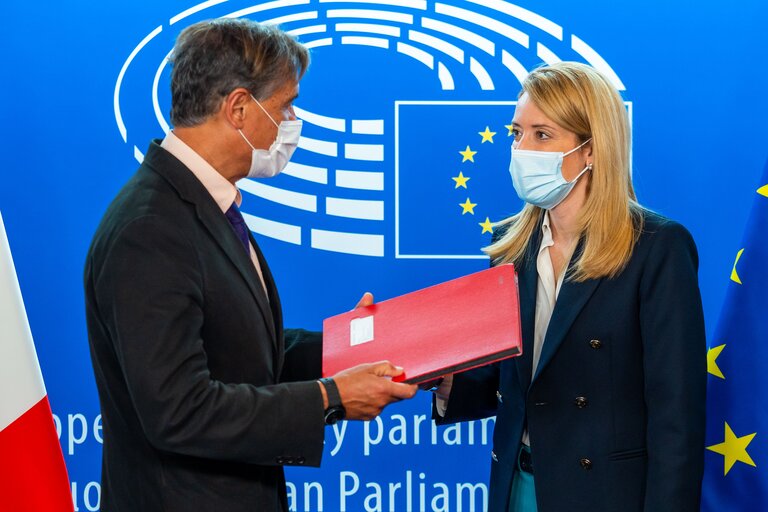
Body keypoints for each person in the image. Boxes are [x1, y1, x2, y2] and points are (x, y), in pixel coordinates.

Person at [84, 19, 416, 512]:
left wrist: (349, 347)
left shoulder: (196, 204)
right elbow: (180, 410)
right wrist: (328, 397)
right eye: (285, 105)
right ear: (239, 108)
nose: (291, 121)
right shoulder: (150, 229)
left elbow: (235, 349)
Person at [432, 62, 706, 511]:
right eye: (516, 133)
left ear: (592, 149)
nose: (522, 149)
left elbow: (677, 417)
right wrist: (442, 377)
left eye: (542, 135)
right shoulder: (511, 249)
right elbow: (520, 382)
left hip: (606, 495)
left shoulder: (656, 247)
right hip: (518, 485)